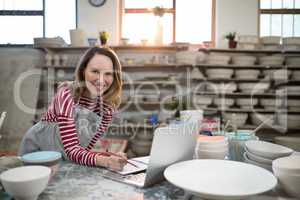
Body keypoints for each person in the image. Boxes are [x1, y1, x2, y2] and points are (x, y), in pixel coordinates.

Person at [19, 47, 126, 171]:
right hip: (38, 154)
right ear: (83, 71)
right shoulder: (67, 94)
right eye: (95, 71)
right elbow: (72, 150)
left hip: (66, 160)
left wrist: (110, 157)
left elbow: (84, 149)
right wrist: (104, 161)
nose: (101, 79)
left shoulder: (106, 110)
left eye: (108, 73)